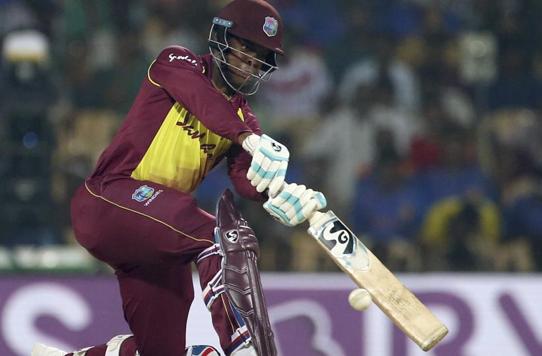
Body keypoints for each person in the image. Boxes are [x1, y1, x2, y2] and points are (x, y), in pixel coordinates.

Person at [32, 1, 326, 355]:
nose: (249, 63)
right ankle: (243, 345)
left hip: (153, 238)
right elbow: (203, 102)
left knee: (160, 351)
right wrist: (247, 137)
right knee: (223, 236)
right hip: (107, 202)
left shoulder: (243, 121)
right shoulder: (177, 63)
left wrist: (279, 194)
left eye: (258, 57)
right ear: (221, 38)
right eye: (244, 48)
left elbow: (247, 179)